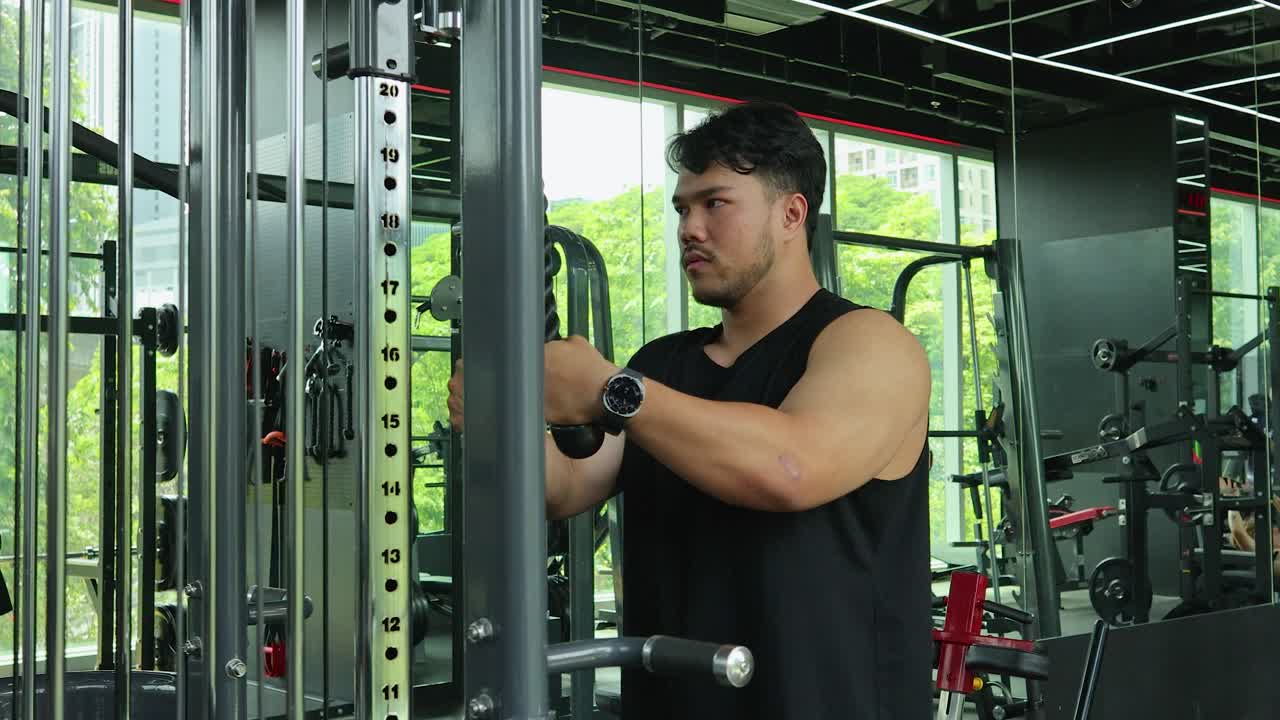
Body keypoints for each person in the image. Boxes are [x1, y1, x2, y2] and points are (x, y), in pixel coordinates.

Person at [449, 101, 933, 719]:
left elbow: (790, 467)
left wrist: (609, 389)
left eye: (715, 203)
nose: (689, 228)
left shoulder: (869, 342)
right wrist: (499, 419)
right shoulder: (664, 364)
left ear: (791, 214)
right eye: (682, 208)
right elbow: (566, 486)